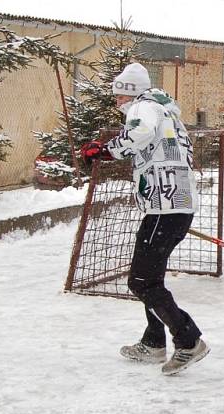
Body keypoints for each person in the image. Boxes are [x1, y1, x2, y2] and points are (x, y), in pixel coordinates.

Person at [84, 62, 210, 374]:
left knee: (141, 281)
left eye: (117, 97)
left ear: (128, 94)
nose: (117, 104)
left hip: (165, 206)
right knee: (151, 278)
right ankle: (154, 342)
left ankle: (188, 340)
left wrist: (106, 150)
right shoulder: (166, 110)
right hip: (173, 204)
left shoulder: (143, 107)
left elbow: (139, 131)